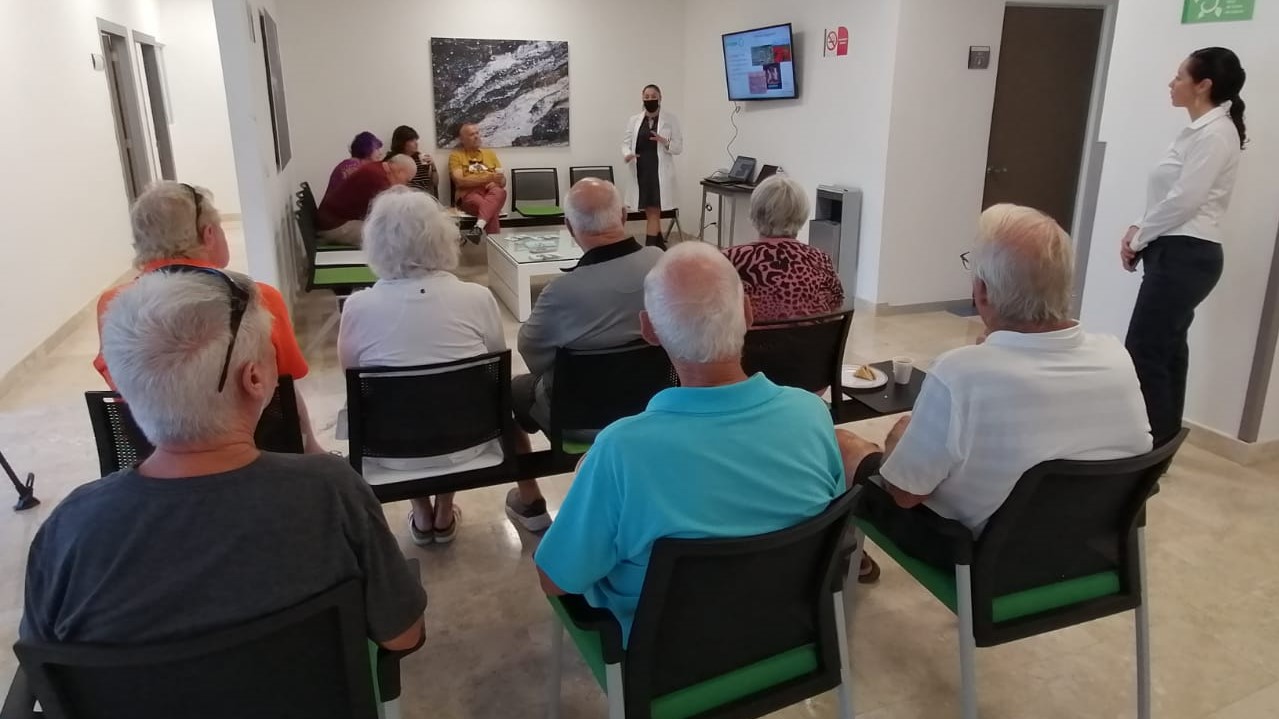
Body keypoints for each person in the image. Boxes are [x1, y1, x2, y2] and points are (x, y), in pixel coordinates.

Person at [24, 270, 426, 650]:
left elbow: (44, 666)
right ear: (254, 379)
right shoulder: (329, 491)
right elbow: (402, 636)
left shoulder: (70, 528)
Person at [534, 241, 844, 642]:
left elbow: (555, 578)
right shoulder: (813, 415)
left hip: (666, 659)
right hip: (786, 635)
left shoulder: (621, 450)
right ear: (748, 314)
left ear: (648, 331)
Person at [839, 204, 1153, 536]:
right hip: (1089, 545)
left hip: (979, 553)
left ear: (983, 291)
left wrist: (897, 441)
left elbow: (904, 494)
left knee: (844, 444)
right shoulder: (1116, 356)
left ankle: (844, 561)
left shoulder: (959, 374)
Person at [338, 187, 551, 544]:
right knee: (477, 393)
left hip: (391, 452)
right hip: (472, 442)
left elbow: (353, 381)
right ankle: (447, 504)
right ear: (442, 237)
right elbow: (492, 377)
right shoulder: (477, 297)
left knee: (397, 401)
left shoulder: (358, 307)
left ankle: (422, 512)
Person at [92, 181, 324, 454]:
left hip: (153, 453)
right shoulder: (254, 297)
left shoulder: (113, 305)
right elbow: (286, 379)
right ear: (209, 234)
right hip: (254, 451)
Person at [1121, 47, 1247, 445]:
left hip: (1187, 254)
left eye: (1179, 76)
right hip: (1175, 250)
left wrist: (1140, 238)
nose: (1171, 83)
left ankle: (1148, 447)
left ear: (1203, 85)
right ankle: (1162, 442)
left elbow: (1185, 200)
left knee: (1144, 351)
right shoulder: (1199, 130)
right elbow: (1171, 193)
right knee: (1168, 351)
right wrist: (1139, 227)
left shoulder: (1215, 133)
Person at [513, 178, 663, 435]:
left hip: (579, 419)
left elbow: (531, 351)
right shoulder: (664, 265)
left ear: (569, 227)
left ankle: (532, 475)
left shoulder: (559, 292)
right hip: (653, 407)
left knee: (515, 388)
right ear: (624, 215)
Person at [724, 174, 844, 322]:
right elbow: (836, 307)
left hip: (756, 344)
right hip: (811, 344)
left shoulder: (730, 260)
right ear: (802, 215)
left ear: (755, 212)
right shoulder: (820, 259)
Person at [622, 84, 683, 249]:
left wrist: (664, 141)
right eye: (646, 97)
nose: (650, 99)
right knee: (650, 212)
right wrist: (627, 154)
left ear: (660, 97)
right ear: (642, 99)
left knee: (653, 212)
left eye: (653, 96)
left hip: (659, 172)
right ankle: (659, 246)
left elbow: (678, 148)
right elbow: (626, 143)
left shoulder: (670, 120)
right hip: (641, 171)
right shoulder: (634, 120)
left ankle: (649, 250)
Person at [317, 154, 417, 246]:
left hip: (332, 220)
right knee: (388, 240)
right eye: (407, 180)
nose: (405, 185)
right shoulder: (378, 179)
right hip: (334, 226)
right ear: (400, 172)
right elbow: (387, 216)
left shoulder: (377, 168)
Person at [449, 123, 507, 243]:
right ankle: (497, 251)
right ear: (462, 139)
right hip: (469, 195)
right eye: (471, 134)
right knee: (491, 212)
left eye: (477, 133)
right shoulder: (456, 156)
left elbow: (502, 181)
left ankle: (478, 227)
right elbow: (460, 181)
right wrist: (489, 178)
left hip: (491, 193)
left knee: (499, 191)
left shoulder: (490, 154)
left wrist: (497, 182)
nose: (476, 136)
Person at [322, 131, 384, 203]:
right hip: (338, 212)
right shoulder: (355, 168)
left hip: (333, 211)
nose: (380, 153)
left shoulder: (351, 163)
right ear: (367, 148)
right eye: (377, 149)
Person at [388, 125, 439, 198]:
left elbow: (435, 183)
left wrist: (433, 165)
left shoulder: (421, 158)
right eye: (411, 140)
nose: (416, 143)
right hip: (403, 198)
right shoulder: (394, 161)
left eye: (416, 140)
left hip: (423, 197)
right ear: (402, 142)